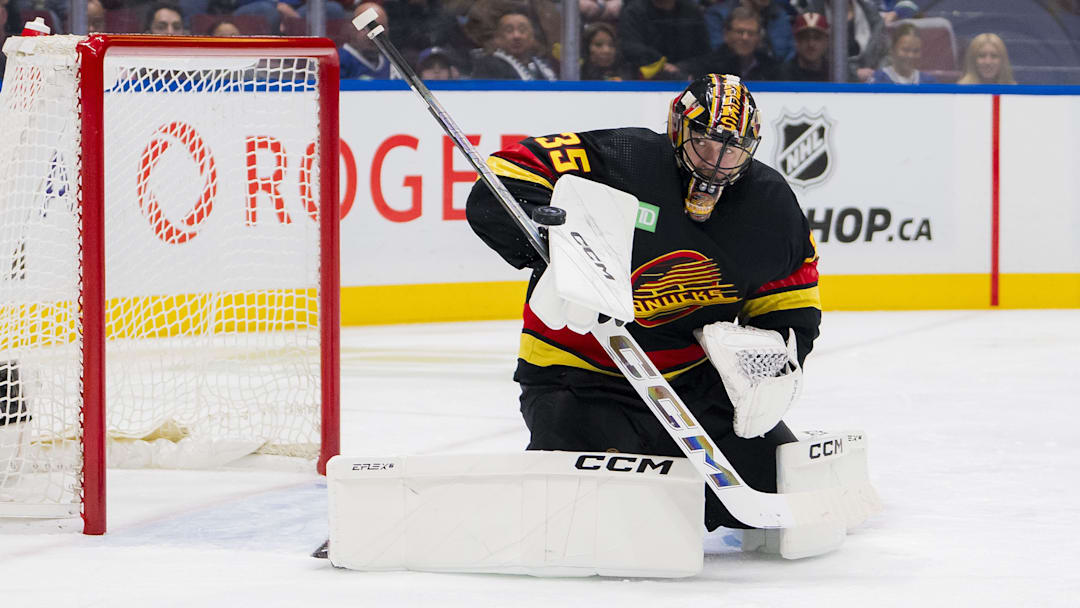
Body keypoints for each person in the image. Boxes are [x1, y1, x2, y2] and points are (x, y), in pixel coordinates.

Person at [464, 74, 821, 532]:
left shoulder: (770, 206)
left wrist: (768, 368)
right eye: (707, 144)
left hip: (690, 387)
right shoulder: (621, 158)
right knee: (582, 518)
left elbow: (793, 301)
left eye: (733, 151)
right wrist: (551, 235)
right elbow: (504, 177)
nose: (717, 164)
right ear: (677, 128)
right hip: (576, 376)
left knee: (774, 489)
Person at [617, 0, 710, 80]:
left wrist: (683, 67)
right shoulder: (634, 11)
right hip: (642, 80)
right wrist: (661, 64)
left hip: (687, 79)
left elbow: (705, 52)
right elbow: (630, 46)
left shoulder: (692, 12)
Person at [685, 6, 780, 80]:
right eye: (739, 32)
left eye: (751, 33)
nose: (745, 38)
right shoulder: (708, 68)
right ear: (726, 34)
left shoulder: (771, 68)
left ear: (759, 37)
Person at [470, 8, 557, 80]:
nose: (516, 36)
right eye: (509, 30)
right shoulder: (488, 66)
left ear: (532, 38)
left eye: (522, 30)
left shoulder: (542, 65)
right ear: (497, 38)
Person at [705, 0, 797, 62]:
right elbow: (718, 52)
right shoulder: (718, 14)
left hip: (771, 75)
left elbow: (789, 51)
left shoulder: (779, 15)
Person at [339, 3, 395, 79]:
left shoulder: (392, 66)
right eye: (365, 27)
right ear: (351, 28)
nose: (372, 34)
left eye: (379, 28)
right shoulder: (337, 62)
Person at [869, 22, 935, 84]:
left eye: (916, 51)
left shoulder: (928, 81)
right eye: (905, 50)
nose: (910, 56)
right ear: (892, 49)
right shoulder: (878, 79)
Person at [777, 11, 831, 81]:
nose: (811, 44)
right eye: (805, 37)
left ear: (826, 42)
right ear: (796, 41)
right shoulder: (782, 75)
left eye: (817, 38)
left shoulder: (834, 74)